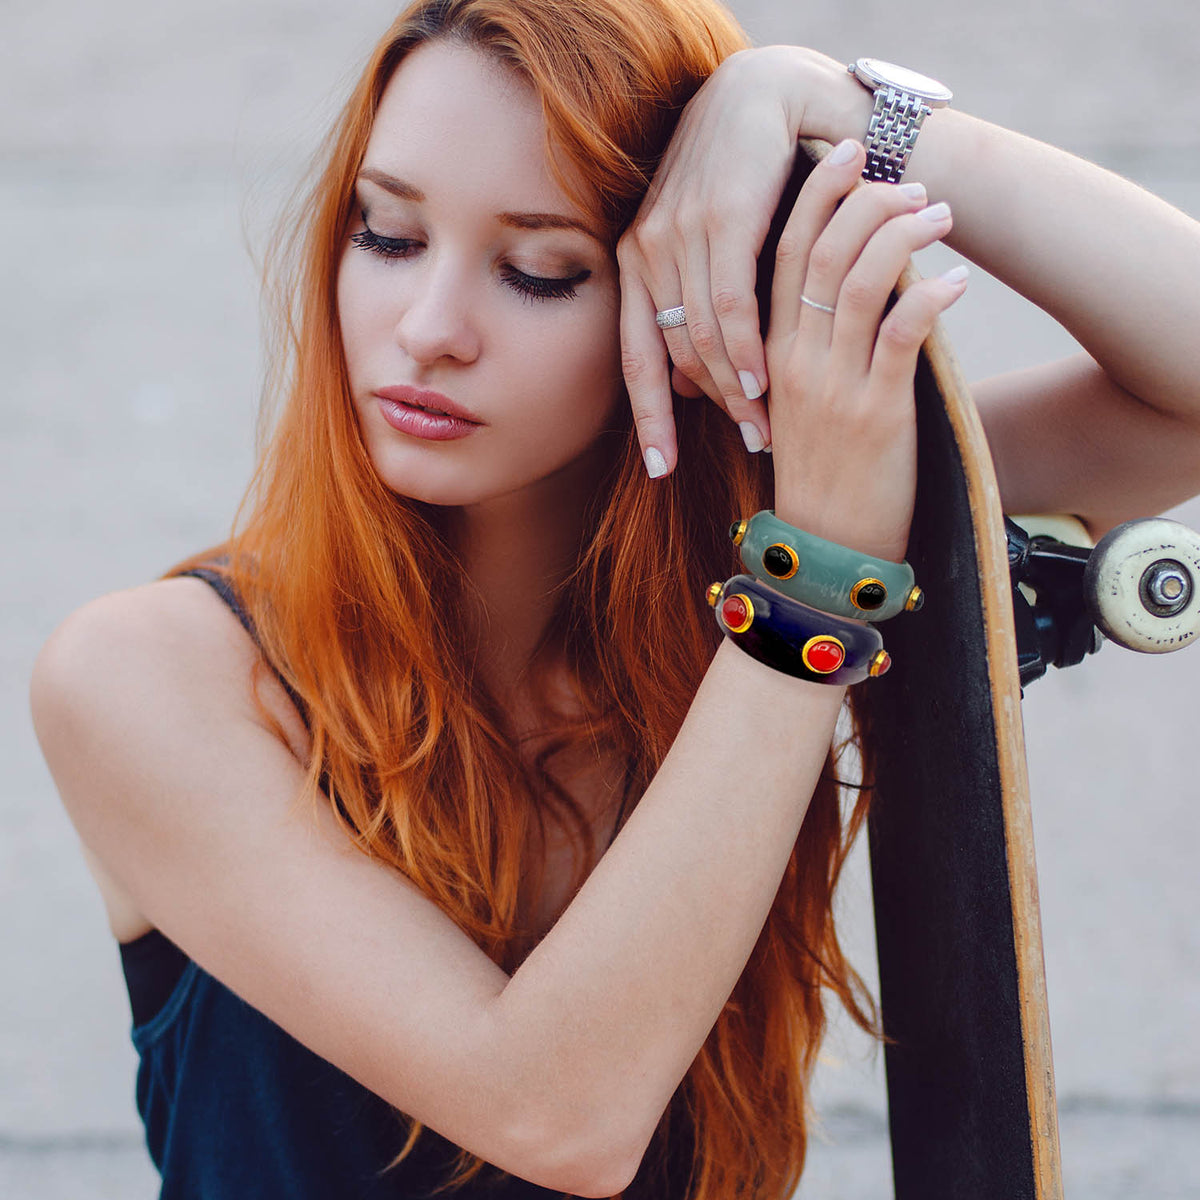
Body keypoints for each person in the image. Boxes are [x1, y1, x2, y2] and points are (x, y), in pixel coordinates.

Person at [29, 0, 1200, 1197]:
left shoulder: (736, 569)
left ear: (688, 288)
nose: (428, 331)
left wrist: (827, 108)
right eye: (387, 236)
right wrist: (815, 586)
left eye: (540, 271)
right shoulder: (150, 676)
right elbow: (554, 1114)